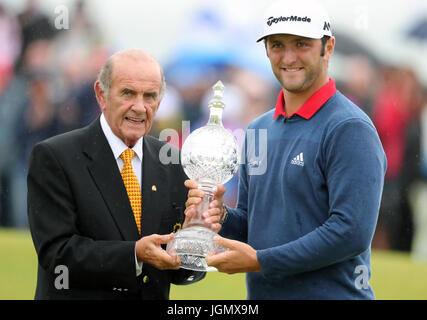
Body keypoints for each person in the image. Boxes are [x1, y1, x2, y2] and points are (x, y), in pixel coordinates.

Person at [185, 0, 386, 299]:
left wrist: (260, 261)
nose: (288, 57)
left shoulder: (348, 127)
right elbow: (254, 225)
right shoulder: (257, 130)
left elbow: (350, 232)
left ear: (327, 48)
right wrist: (220, 216)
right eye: (277, 44)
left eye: (301, 44)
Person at [27, 49, 205, 300]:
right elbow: (57, 256)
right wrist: (134, 255)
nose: (140, 107)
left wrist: (194, 236)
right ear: (102, 94)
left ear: (160, 102)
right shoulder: (56, 156)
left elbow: (177, 270)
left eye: (150, 96)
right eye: (128, 93)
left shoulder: (173, 161)